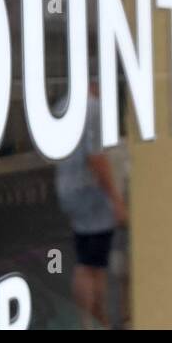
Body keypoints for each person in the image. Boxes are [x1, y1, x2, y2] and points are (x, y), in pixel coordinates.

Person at [55, 87, 128, 328]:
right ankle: (94, 322)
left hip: (68, 190)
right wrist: (116, 199)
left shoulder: (63, 105)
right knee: (92, 265)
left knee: (87, 260)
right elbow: (96, 158)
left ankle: (94, 321)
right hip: (91, 194)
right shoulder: (93, 108)